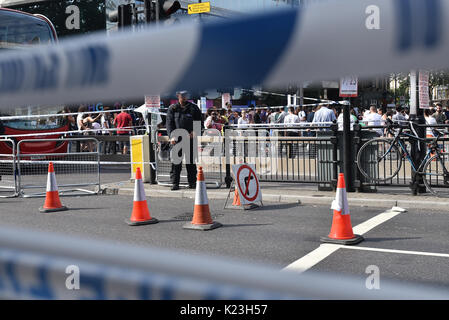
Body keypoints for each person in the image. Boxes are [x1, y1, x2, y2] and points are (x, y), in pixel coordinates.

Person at [166, 91, 203, 191]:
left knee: (191, 163)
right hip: (177, 140)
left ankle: (192, 182)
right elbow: (169, 124)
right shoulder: (173, 108)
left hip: (190, 139)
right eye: (182, 96)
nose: (184, 97)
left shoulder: (194, 108)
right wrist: (172, 136)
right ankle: (175, 183)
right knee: (176, 163)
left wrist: (195, 131)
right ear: (178, 96)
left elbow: (200, 122)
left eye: (186, 95)